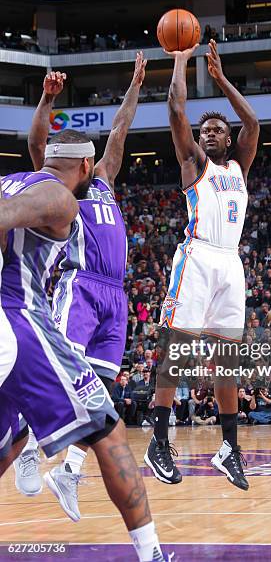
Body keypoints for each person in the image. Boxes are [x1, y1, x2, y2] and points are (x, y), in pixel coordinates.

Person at [0, 148, 163, 560]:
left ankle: (36, 444)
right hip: (18, 319)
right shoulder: (61, 197)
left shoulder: (11, 179)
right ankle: (152, 555)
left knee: (4, 446)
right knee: (110, 433)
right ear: (86, 167)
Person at [14, 53, 147, 522]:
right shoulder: (58, 187)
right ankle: (29, 449)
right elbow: (36, 144)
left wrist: (134, 84)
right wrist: (48, 99)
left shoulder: (104, 178)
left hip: (117, 294)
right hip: (80, 286)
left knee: (103, 389)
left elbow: (120, 131)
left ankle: (68, 470)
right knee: (62, 375)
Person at [144, 39, 259, 491]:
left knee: (227, 360)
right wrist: (180, 60)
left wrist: (222, 80)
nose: (207, 133)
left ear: (227, 140)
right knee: (180, 348)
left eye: (215, 130)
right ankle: (158, 438)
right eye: (204, 129)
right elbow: (176, 109)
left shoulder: (239, 166)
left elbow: (252, 121)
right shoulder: (193, 163)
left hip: (231, 264)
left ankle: (229, 447)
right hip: (197, 255)